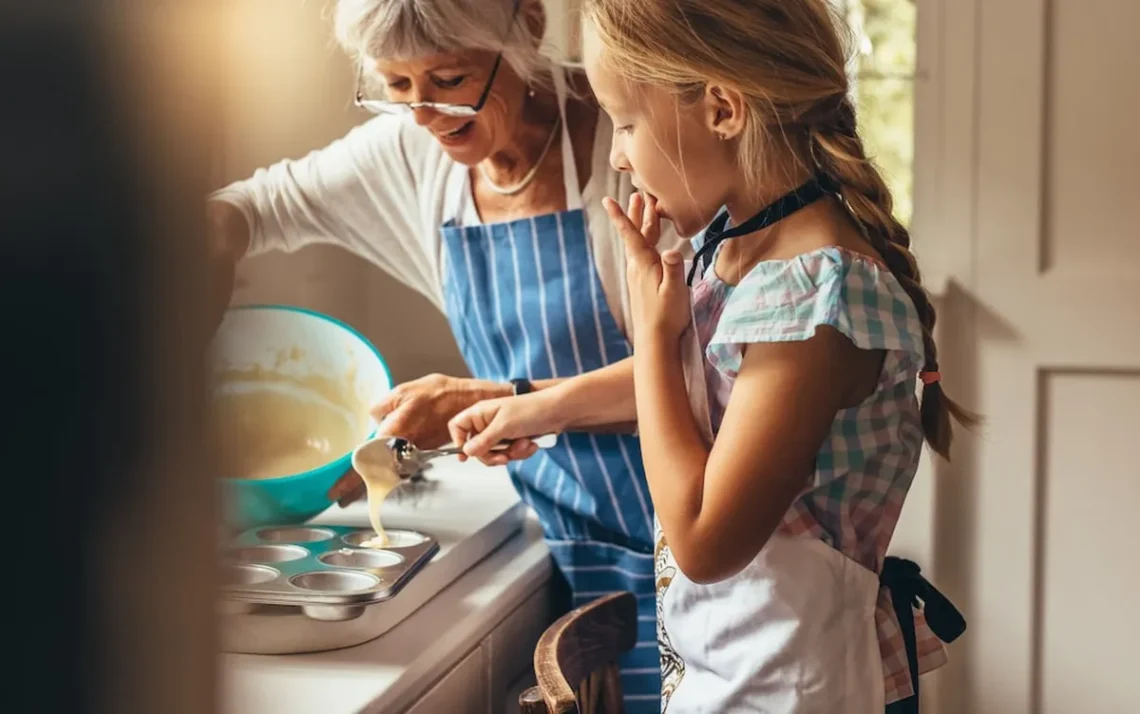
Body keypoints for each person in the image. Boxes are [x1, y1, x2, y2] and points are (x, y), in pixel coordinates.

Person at [449, 1, 972, 712]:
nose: (616, 155)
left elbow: (701, 538)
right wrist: (535, 406)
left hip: (788, 689)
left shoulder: (820, 296)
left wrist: (652, 329)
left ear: (723, 108)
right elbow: (711, 382)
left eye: (626, 123)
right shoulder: (743, 248)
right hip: (731, 672)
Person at [205, 0, 680, 709]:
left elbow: (703, 375)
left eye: (449, 78)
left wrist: (496, 400)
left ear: (525, 27)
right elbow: (255, 207)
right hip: (574, 540)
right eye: (396, 87)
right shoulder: (411, 154)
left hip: (694, 532)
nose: (423, 113)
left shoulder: (632, 141)